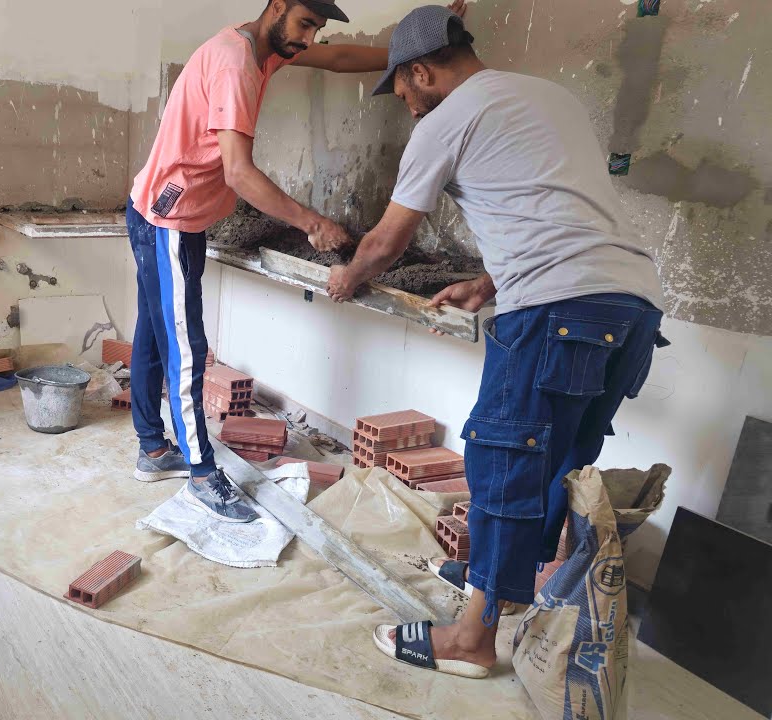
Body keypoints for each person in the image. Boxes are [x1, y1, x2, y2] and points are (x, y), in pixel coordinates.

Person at [325, 6, 667, 678]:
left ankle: (470, 643)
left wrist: (346, 278)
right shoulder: (548, 96)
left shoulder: (442, 123)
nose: (400, 97)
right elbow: (557, 208)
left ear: (423, 70)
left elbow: (385, 242)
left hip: (558, 308)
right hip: (630, 304)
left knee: (503, 463)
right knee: (559, 460)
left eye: (400, 83)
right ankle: (508, 591)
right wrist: (490, 281)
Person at [126, 0, 467, 522]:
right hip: (168, 220)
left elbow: (338, 59)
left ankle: (153, 449)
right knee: (186, 346)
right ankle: (200, 473)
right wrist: (310, 221)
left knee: (157, 331)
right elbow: (239, 173)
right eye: (306, 23)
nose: (310, 38)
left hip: (167, 211)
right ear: (277, 7)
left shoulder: (261, 48)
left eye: (318, 28)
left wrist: (409, 51)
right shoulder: (236, 64)